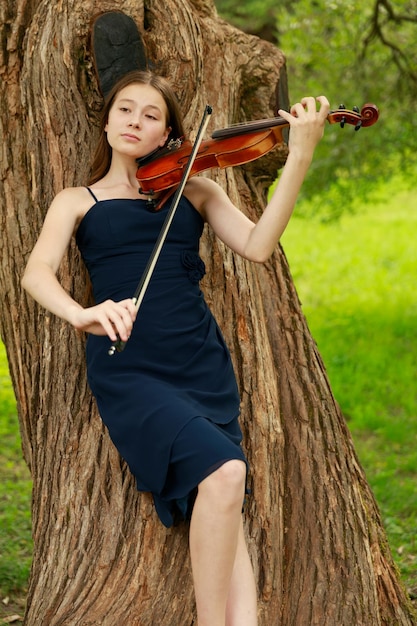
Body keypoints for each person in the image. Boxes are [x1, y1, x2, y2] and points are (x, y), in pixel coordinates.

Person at [22, 69, 329, 626]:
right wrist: (82, 313)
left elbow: (259, 246)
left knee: (223, 495)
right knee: (227, 473)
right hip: (131, 368)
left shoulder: (196, 187)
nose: (135, 121)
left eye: (150, 115)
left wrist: (300, 155)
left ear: (168, 134)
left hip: (198, 360)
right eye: (125, 110)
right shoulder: (76, 200)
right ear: (108, 120)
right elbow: (36, 273)